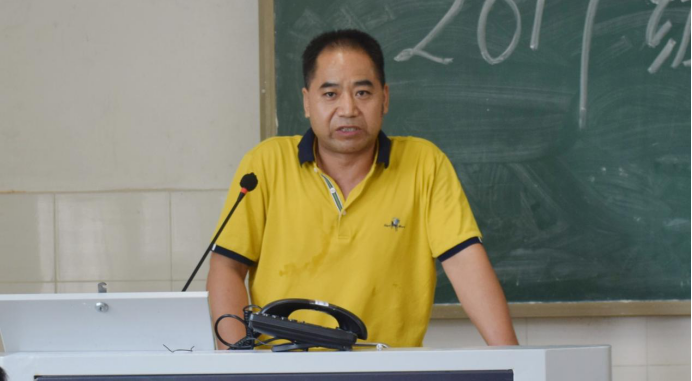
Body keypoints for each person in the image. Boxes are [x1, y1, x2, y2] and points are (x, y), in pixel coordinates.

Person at [206, 29, 518, 348]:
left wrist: (516, 362)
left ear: (385, 98)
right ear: (307, 102)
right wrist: (237, 362)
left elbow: (466, 264)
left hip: (388, 366)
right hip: (283, 365)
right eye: (330, 94)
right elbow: (227, 267)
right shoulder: (266, 163)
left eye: (362, 93)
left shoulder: (424, 164)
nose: (348, 109)